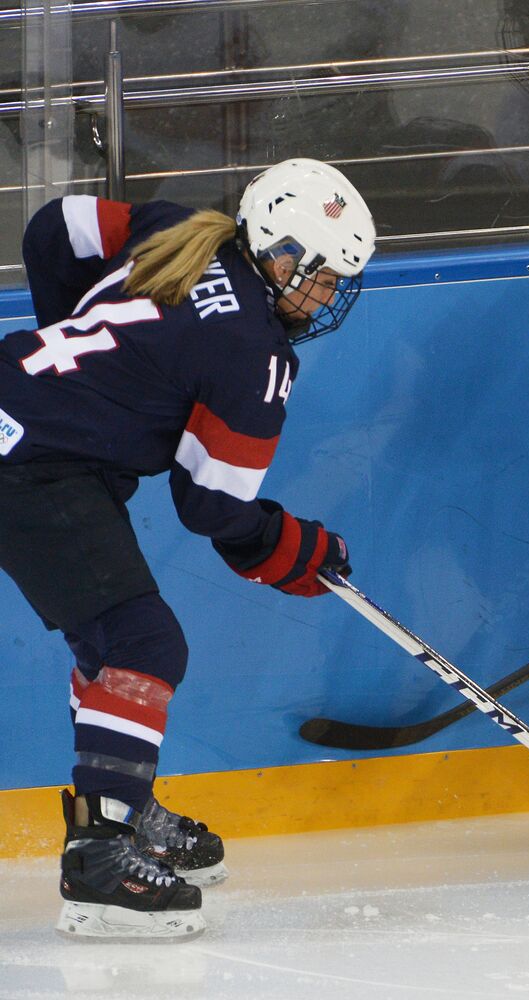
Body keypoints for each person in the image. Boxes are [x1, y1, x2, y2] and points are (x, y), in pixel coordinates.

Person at [0, 158, 375, 940]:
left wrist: (78, 356)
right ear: (278, 255)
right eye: (323, 276)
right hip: (33, 468)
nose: (329, 295)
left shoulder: (177, 228)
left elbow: (52, 229)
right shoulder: (256, 352)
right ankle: (99, 852)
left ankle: (120, 805)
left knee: (110, 640)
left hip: (21, 423)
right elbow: (212, 508)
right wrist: (295, 549)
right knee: (142, 642)